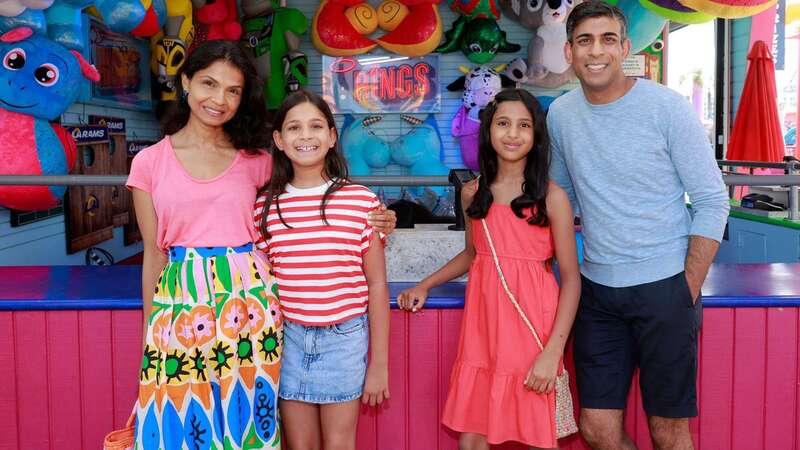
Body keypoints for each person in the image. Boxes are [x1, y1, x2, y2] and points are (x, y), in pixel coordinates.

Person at [127, 41, 395, 449]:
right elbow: (153, 254)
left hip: (249, 307)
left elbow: (310, 191)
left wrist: (383, 216)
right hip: (180, 304)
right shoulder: (148, 162)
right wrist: (152, 332)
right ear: (185, 82)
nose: (219, 99)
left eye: (232, 90)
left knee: (247, 421)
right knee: (181, 423)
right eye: (209, 84)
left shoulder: (255, 160)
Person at [547, 2, 730, 449]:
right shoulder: (561, 116)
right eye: (585, 40)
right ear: (569, 51)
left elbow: (712, 200)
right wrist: (483, 202)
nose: (597, 51)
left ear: (625, 47)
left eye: (608, 39)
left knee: (668, 430)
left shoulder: (667, 108)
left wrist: (685, 286)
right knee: (596, 428)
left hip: (666, 287)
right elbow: (557, 198)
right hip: (597, 294)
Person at [397, 88, 580, 450]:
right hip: (483, 329)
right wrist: (426, 284)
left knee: (534, 433)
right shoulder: (473, 193)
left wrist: (552, 352)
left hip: (533, 331)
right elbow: (472, 253)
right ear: (488, 131)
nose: (512, 134)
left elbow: (572, 281)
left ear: (536, 135)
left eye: (523, 125)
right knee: (473, 436)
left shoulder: (553, 197)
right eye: (503, 123)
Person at [253, 90, 391, 450]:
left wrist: (380, 364)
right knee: (299, 446)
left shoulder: (361, 202)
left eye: (316, 126)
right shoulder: (263, 208)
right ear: (279, 140)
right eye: (294, 128)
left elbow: (377, 285)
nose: (306, 136)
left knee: (340, 444)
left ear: (332, 136)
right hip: (288, 342)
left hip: (344, 340)